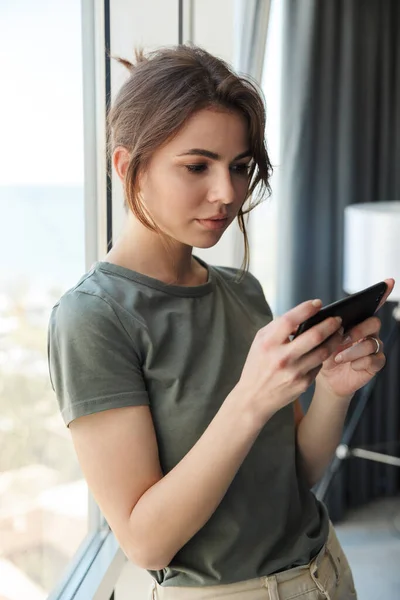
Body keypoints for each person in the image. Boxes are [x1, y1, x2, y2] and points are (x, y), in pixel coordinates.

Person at [47, 45, 394, 600]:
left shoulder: (241, 289)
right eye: (196, 166)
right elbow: (145, 543)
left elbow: (294, 477)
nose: (228, 193)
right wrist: (251, 399)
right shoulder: (93, 318)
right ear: (125, 167)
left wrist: (333, 391)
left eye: (239, 167)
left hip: (325, 571)